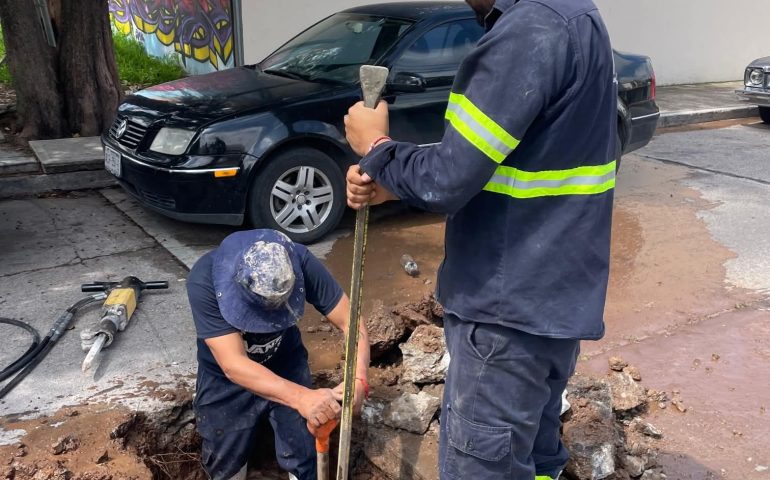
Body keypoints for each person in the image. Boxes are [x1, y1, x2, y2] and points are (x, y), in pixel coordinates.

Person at [344, 0, 617, 478]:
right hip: (551, 308)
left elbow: (449, 178)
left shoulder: (530, 29)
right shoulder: (575, 15)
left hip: (504, 316)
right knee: (534, 461)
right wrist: (395, 184)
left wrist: (378, 148)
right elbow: (517, 158)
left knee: (484, 467)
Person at [186, 229, 370, 480]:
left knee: (302, 448)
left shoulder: (300, 262)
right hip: (224, 379)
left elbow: (351, 321)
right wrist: (302, 398)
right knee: (224, 457)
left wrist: (358, 379)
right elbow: (233, 364)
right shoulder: (205, 279)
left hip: (285, 361)